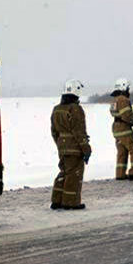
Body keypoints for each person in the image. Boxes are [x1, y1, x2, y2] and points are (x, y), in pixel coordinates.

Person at [50, 79, 91, 209]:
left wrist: (60, 144)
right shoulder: (76, 109)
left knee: (63, 172)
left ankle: (57, 200)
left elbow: (54, 131)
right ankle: (70, 202)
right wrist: (86, 149)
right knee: (74, 175)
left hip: (62, 147)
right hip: (74, 148)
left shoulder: (56, 109)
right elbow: (79, 131)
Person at [109, 78, 133, 180]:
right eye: (128, 88)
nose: (129, 90)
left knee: (122, 151)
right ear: (124, 87)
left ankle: (120, 174)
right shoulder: (123, 99)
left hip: (116, 128)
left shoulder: (115, 99)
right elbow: (126, 115)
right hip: (124, 128)